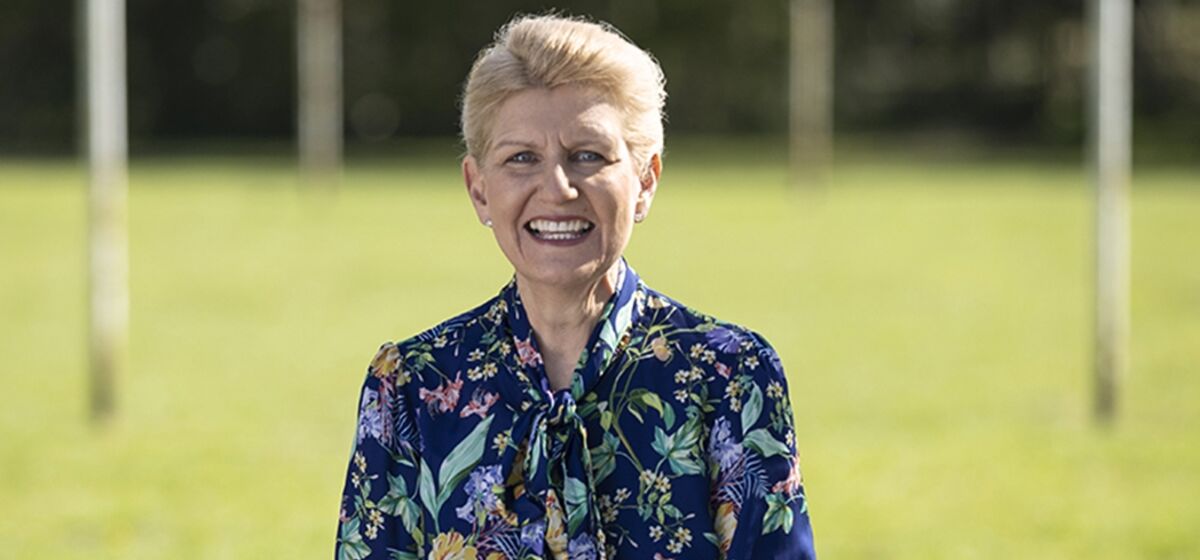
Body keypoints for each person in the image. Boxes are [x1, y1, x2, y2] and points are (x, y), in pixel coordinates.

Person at [335, 14, 815, 560]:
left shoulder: (731, 376)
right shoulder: (411, 385)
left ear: (645, 181)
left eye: (588, 155)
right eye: (521, 158)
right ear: (479, 189)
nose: (557, 188)